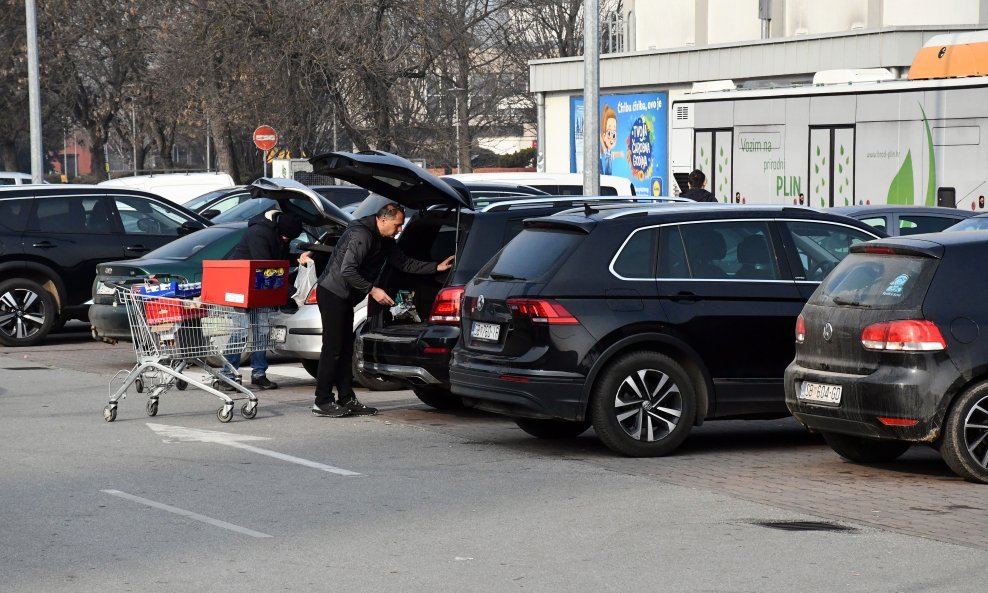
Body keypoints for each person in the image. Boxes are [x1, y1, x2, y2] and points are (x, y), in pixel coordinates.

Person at [306, 203, 454, 418]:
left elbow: (403, 263)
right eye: (397, 224)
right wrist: (372, 290)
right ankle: (322, 401)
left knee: (346, 349)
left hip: (346, 296)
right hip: (333, 293)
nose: (399, 229)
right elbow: (347, 270)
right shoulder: (362, 235)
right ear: (383, 220)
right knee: (333, 349)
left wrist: (436, 267)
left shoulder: (385, 239)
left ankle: (346, 398)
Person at [220, 209, 304, 391]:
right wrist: (291, 291)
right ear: (279, 229)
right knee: (240, 332)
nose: (286, 241)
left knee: (262, 331)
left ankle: (259, 373)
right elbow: (266, 265)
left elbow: (278, 260)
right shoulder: (259, 232)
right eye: (285, 237)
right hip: (241, 285)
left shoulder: (279, 232)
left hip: (260, 284)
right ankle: (227, 374)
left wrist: (298, 259)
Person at [599, 105, 622, 175]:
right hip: (606, 177)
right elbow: (610, 154)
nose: (612, 137)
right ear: (604, 136)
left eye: (614, 134)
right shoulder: (606, 153)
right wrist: (619, 154)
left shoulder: (608, 152)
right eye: (609, 133)